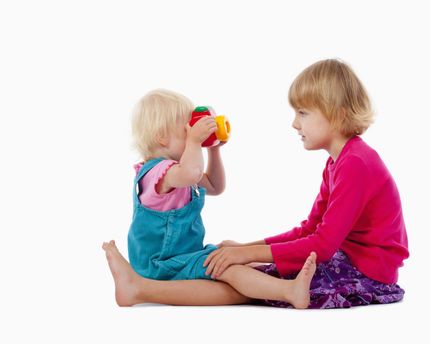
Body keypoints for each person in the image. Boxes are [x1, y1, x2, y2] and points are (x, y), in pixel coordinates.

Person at [103, 58, 409, 309]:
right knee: (246, 274)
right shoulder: (339, 162)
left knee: (254, 285)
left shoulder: (355, 163)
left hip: (368, 271)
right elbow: (309, 229)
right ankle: (141, 288)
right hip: (350, 258)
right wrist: (246, 248)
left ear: (338, 114)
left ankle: (141, 289)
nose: (294, 123)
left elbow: (324, 244)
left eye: (303, 113)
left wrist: (245, 254)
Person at [103, 89, 317, 309]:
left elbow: (216, 186)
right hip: (160, 263)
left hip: (184, 256)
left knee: (234, 259)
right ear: (162, 136)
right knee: (227, 268)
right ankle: (288, 291)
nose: (194, 134)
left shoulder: (182, 170)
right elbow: (192, 174)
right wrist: (195, 142)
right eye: (188, 129)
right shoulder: (160, 172)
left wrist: (213, 150)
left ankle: (281, 282)